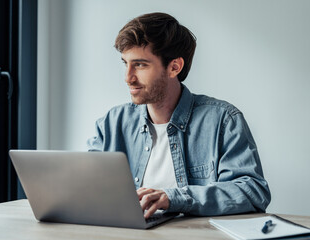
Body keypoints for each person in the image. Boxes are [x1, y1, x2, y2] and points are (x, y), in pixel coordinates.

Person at [87, 12, 271, 219]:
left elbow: (252, 192)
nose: (128, 77)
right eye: (125, 63)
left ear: (174, 67)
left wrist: (175, 198)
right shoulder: (112, 123)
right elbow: (87, 189)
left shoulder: (223, 120)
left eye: (140, 65)